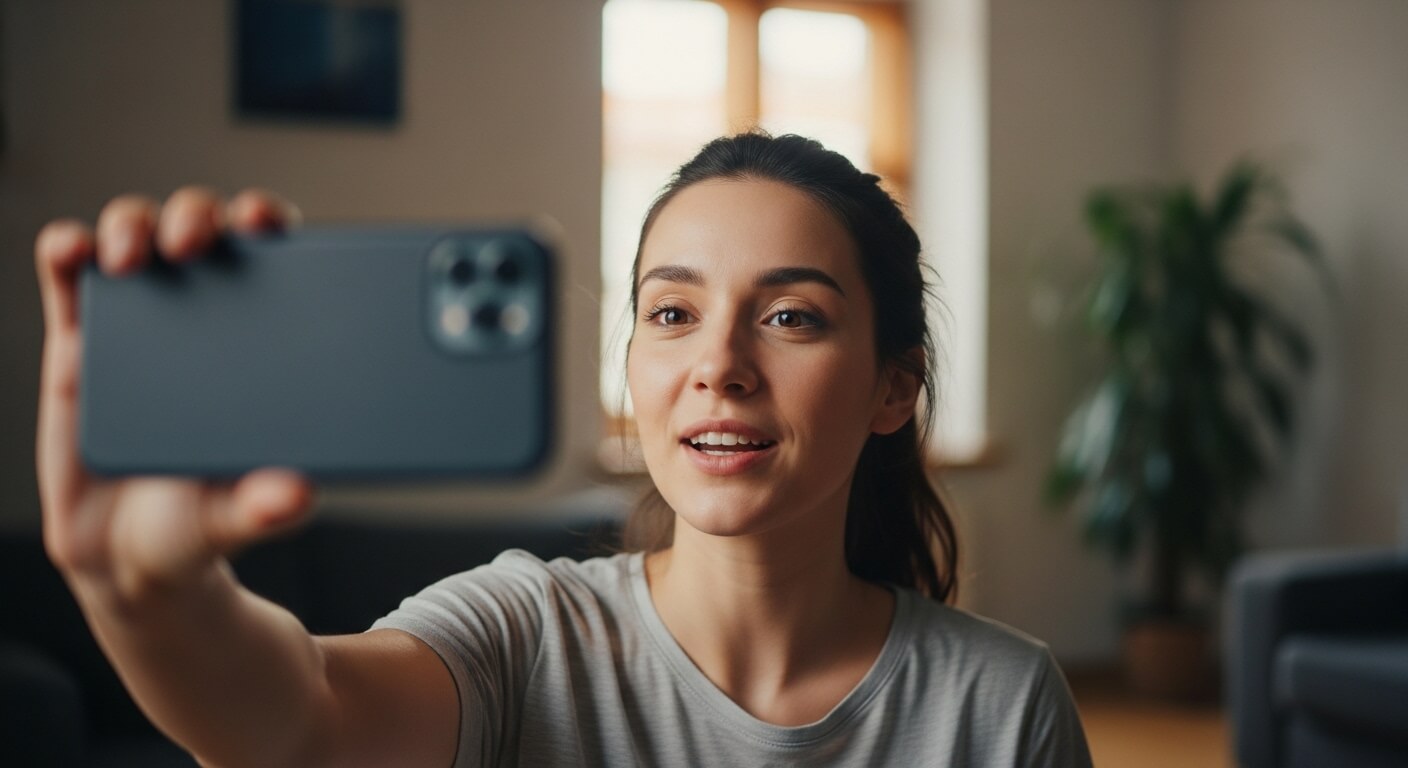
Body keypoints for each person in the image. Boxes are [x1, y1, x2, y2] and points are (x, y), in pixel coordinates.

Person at [34, 132, 1093, 767]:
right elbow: (301, 725)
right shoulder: (525, 631)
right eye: (672, 315)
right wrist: (138, 589)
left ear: (892, 387)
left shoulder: (999, 706)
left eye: (789, 319)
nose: (716, 365)